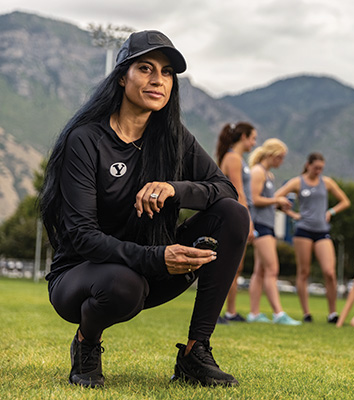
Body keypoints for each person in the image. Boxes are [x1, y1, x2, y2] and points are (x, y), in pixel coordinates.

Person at [39, 30, 249, 388]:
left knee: (232, 214)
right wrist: (157, 257)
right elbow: (81, 236)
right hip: (84, 276)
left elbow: (225, 189)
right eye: (146, 68)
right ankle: (86, 343)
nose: (158, 80)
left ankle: (195, 353)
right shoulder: (86, 139)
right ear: (122, 76)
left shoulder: (174, 137)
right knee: (123, 284)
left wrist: (174, 189)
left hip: (153, 267)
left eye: (167, 72)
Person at [274, 152, 350, 323]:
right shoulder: (297, 182)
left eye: (321, 168)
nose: (318, 171)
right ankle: (306, 313)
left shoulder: (327, 182)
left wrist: (331, 212)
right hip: (303, 230)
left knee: (329, 272)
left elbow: (345, 201)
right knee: (304, 271)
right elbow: (276, 198)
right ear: (308, 165)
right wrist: (291, 213)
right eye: (316, 168)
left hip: (322, 231)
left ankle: (332, 313)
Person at [246, 138, 301, 325]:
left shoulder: (268, 175)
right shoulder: (258, 172)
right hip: (261, 225)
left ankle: (254, 313)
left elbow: (265, 202)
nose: (282, 162)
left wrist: (282, 207)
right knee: (272, 269)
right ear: (273, 155)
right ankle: (278, 313)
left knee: (260, 271)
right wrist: (277, 201)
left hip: (267, 223)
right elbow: (253, 199)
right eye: (281, 157)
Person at [215, 122, 258, 323]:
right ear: (243, 137)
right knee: (227, 266)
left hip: (239, 215)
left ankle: (230, 312)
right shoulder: (233, 158)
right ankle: (214, 312)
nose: (254, 143)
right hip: (234, 216)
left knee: (236, 268)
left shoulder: (238, 158)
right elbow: (238, 191)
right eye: (253, 138)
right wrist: (247, 221)